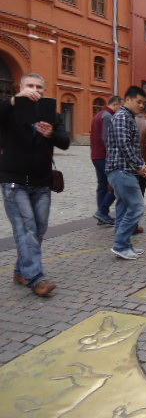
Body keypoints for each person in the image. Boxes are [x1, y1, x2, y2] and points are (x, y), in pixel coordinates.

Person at [0, 73, 70, 296]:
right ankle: (35, 278)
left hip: (42, 183)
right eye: (29, 86)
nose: (34, 90)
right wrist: (14, 100)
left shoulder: (51, 113)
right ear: (20, 88)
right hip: (14, 182)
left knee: (39, 229)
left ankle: (21, 270)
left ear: (44, 90)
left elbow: (65, 142)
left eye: (39, 87)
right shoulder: (10, 109)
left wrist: (52, 134)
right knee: (27, 228)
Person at [106, 86, 146, 260]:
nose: (142, 105)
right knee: (137, 207)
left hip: (123, 170)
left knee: (123, 208)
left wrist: (141, 165)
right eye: (139, 102)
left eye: (144, 103)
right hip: (121, 170)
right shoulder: (123, 117)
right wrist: (140, 165)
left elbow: (131, 146)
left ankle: (125, 245)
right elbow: (124, 145)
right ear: (128, 100)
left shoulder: (128, 117)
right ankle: (121, 245)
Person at [90, 95, 122, 225]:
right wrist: (113, 157)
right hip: (104, 157)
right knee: (115, 185)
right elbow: (107, 139)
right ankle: (102, 212)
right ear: (116, 105)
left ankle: (102, 216)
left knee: (102, 186)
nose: (120, 110)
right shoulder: (108, 116)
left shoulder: (98, 115)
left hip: (96, 156)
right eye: (120, 107)